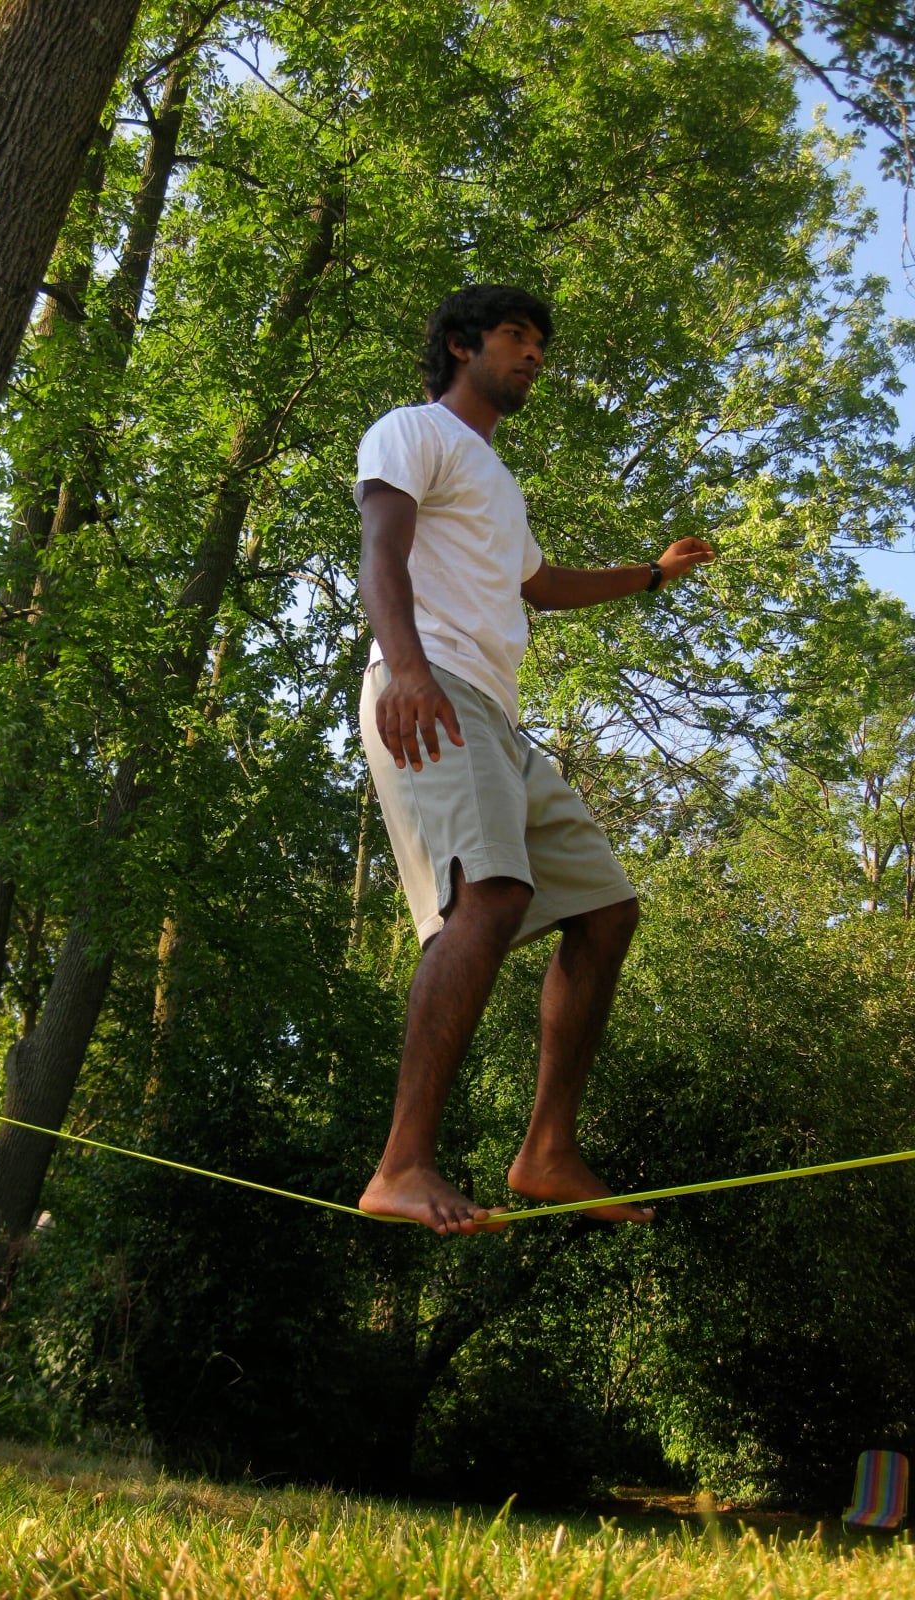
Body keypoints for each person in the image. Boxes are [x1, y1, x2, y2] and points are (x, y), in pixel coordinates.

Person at [355, 285, 714, 1236]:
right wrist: (405, 671)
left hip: (498, 719)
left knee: (605, 910)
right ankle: (402, 1164)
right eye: (519, 337)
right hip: (430, 685)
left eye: (541, 344)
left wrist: (650, 575)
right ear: (462, 344)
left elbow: (538, 585)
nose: (536, 356)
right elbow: (380, 555)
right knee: (492, 897)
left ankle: (547, 1151)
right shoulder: (411, 432)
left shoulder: (497, 482)